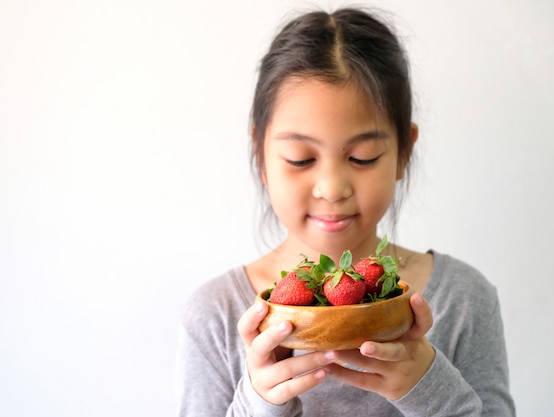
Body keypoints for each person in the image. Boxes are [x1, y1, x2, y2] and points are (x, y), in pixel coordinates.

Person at [177, 6, 515, 417]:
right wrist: (260, 402)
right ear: (260, 154)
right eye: (301, 159)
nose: (332, 189)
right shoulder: (216, 314)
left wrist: (428, 387)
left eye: (363, 157)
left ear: (404, 152)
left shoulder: (463, 299)